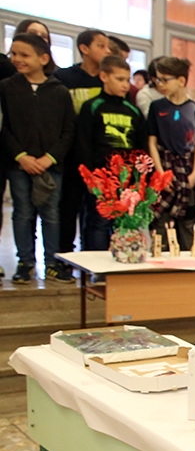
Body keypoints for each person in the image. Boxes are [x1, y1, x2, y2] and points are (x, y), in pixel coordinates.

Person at [0, 33, 75, 284]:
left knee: (51, 214)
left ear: (43, 58)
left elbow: (68, 130)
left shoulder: (59, 91)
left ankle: (52, 263)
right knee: (22, 213)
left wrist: (50, 157)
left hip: (50, 165)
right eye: (14, 54)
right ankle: (25, 262)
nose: (17, 59)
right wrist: (20, 156)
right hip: (19, 164)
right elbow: (5, 127)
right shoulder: (7, 87)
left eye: (24, 55)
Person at [76, 55, 147, 252]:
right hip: (101, 178)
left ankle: (121, 260)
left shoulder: (133, 111)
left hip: (127, 180)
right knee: (98, 223)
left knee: (124, 223)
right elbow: (83, 144)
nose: (125, 85)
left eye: (127, 80)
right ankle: (97, 265)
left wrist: (139, 179)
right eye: (119, 79)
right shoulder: (92, 107)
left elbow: (142, 148)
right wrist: (91, 178)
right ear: (104, 77)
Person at [54, 29, 112, 257]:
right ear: (84, 49)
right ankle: (65, 257)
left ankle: (91, 257)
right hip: (69, 156)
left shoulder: (106, 79)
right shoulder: (64, 78)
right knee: (68, 208)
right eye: (101, 46)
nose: (107, 51)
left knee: (96, 212)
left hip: (99, 158)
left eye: (108, 46)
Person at [147, 57, 195, 250]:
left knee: (188, 222)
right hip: (164, 167)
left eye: (165, 80)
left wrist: (194, 174)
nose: (161, 84)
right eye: (158, 80)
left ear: (181, 80)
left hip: (186, 170)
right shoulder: (156, 107)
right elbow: (152, 142)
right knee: (161, 221)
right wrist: (160, 173)